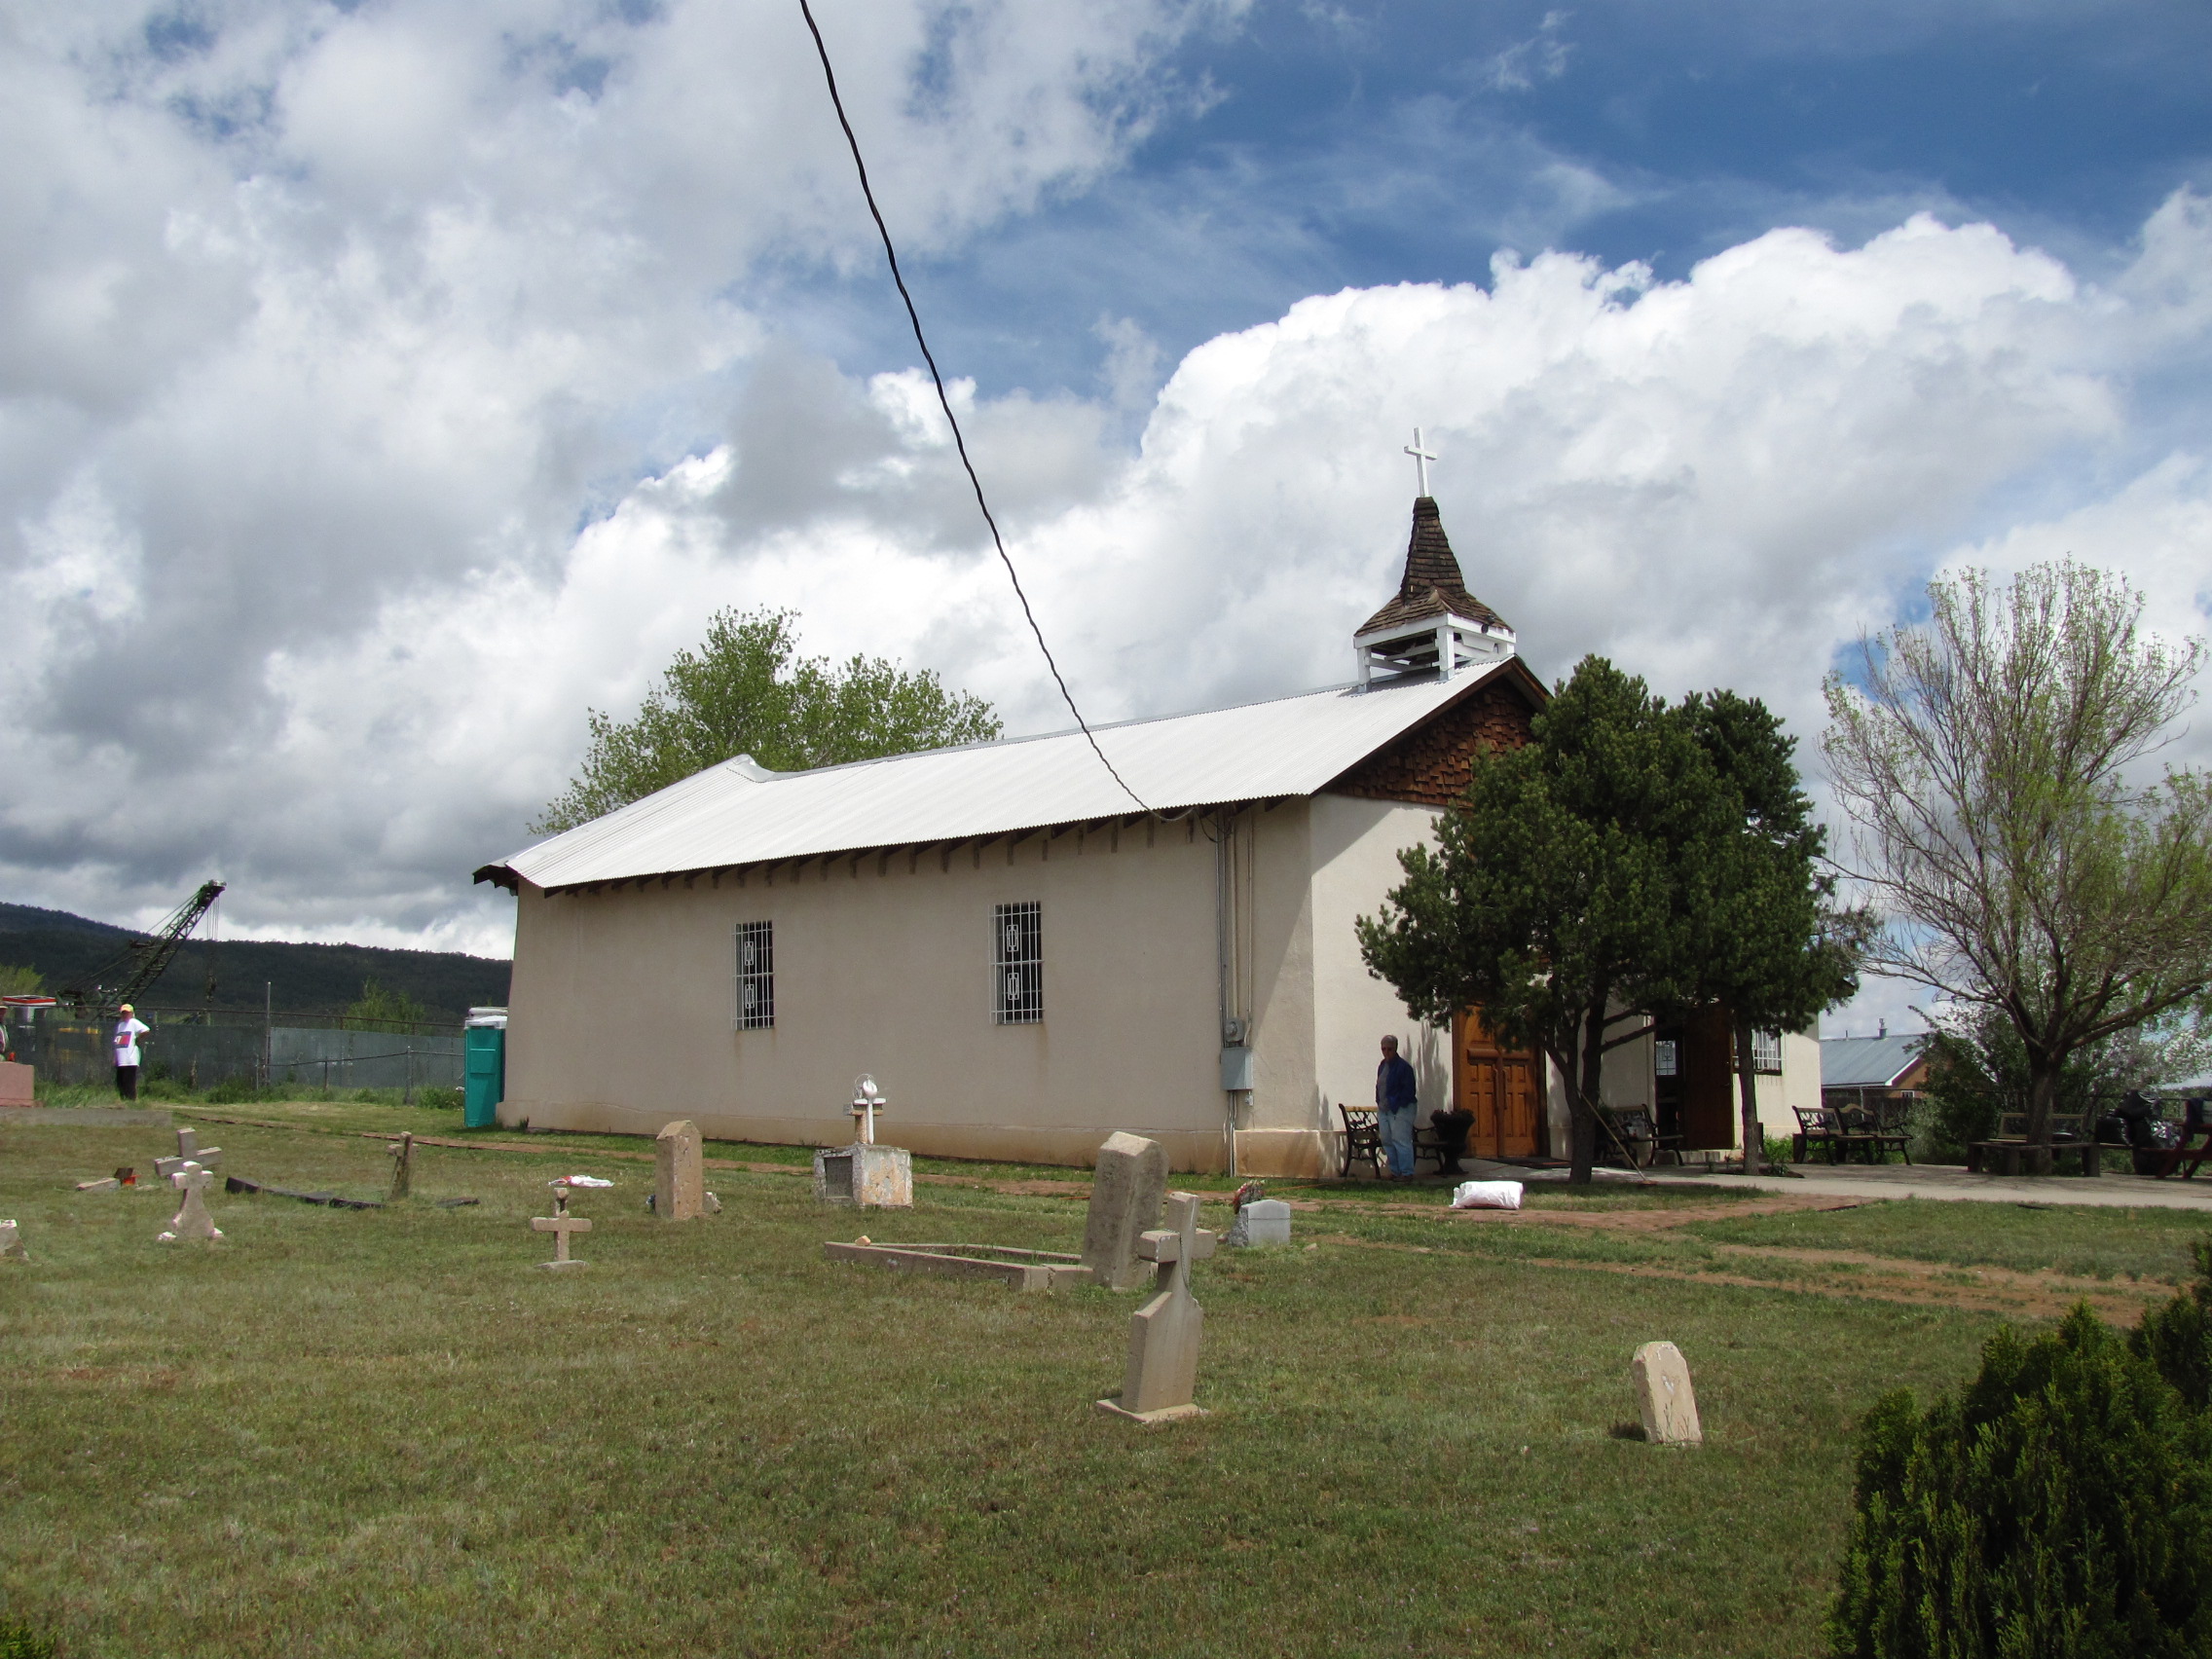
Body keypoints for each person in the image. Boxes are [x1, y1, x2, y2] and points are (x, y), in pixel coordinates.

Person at [1376, 1034, 1419, 1181]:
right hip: (1384, 1109)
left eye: (1389, 1049)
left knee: (1401, 1140)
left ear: (1395, 1049)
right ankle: (1395, 1171)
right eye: (1384, 1049)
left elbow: (1409, 1090)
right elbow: (1380, 1086)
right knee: (1387, 1140)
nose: (1386, 1052)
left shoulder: (1404, 1067)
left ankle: (1407, 1173)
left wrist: (1397, 1104)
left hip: (1401, 1108)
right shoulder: (1382, 1066)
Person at [112, 1004, 150, 1101]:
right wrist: (115, 1057)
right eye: (123, 1013)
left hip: (130, 1058)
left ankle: (131, 1100)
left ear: (131, 1013)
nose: (125, 1015)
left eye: (127, 1013)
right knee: (120, 1081)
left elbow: (146, 1030)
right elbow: (117, 1042)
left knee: (129, 1080)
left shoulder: (133, 1022)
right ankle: (123, 1099)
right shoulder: (120, 1025)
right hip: (121, 1059)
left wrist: (138, 1038)